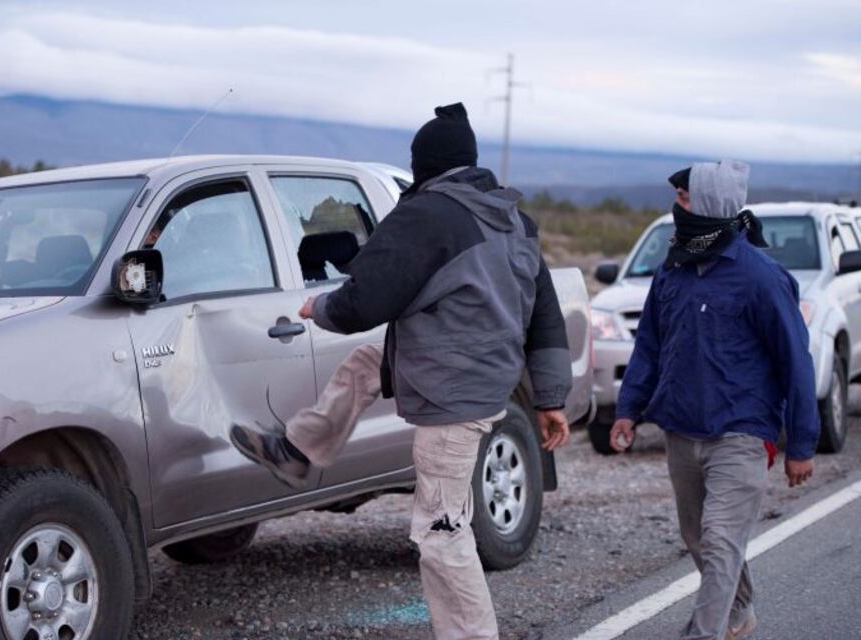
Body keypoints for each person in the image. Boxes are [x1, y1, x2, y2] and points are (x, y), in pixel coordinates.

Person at [230, 103, 573, 640]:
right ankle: (299, 450)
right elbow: (546, 316)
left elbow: (367, 300)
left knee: (442, 530)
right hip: (479, 376)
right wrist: (550, 398)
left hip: (451, 396)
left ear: (424, 163)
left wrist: (320, 308)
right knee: (365, 366)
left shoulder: (429, 215)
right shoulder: (512, 220)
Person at [610, 160, 819, 640]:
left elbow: (795, 361)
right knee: (700, 538)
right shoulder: (673, 269)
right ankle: (739, 609)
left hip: (742, 431)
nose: (677, 205)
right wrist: (628, 410)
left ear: (709, 204)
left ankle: (703, 633)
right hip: (681, 427)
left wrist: (802, 444)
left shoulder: (761, 277)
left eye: (684, 198)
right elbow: (650, 346)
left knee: (722, 538)